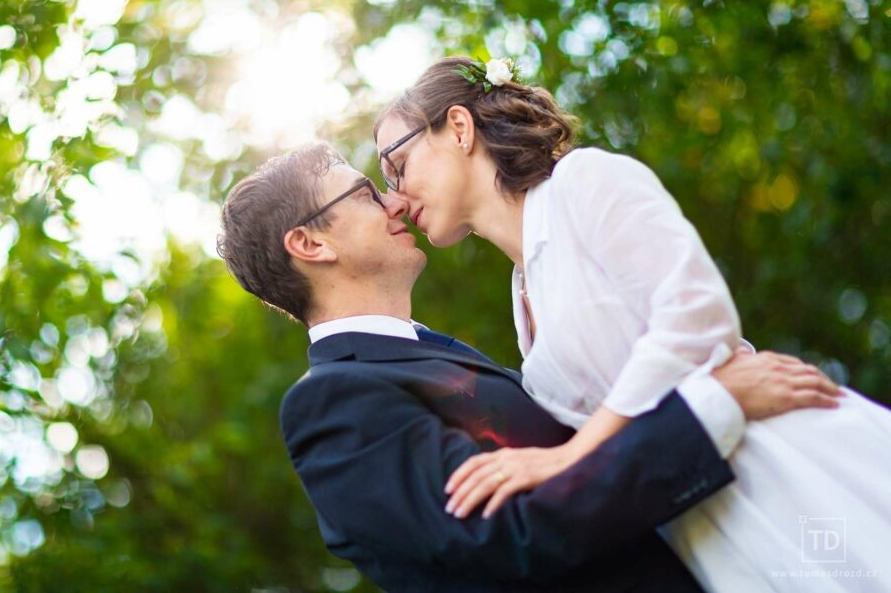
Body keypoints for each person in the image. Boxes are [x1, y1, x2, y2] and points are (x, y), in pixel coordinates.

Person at [216, 143, 841, 592]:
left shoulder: (440, 356)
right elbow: (510, 530)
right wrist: (713, 409)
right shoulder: (334, 402)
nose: (396, 205)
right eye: (366, 193)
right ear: (310, 244)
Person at [372, 56, 891, 591]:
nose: (394, 197)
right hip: (702, 522)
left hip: (784, 467)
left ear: (459, 128)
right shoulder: (521, 290)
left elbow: (696, 313)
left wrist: (570, 456)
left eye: (398, 164)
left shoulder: (583, 182)